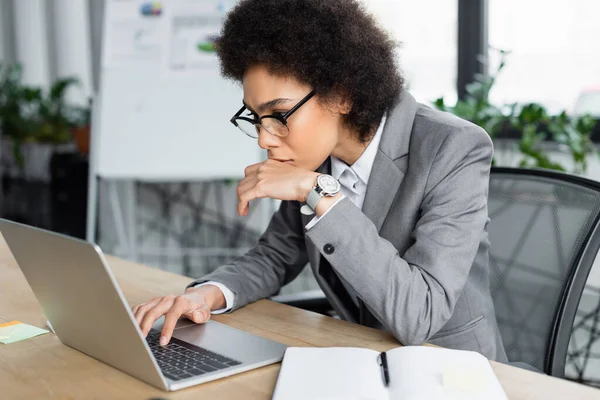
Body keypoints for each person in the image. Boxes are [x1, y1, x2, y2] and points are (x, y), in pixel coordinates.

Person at [132, 0, 507, 362]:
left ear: (341, 95)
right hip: (358, 356)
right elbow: (277, 254)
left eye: (278, 113)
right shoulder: (316, 155)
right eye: (255, 117)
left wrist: (314, 192)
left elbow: (420, 315)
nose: (264, 138)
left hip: (451, 370)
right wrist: (207, 294)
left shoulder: (453, 147)